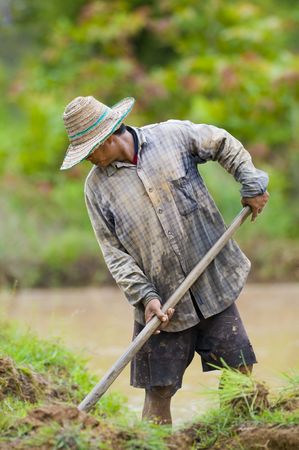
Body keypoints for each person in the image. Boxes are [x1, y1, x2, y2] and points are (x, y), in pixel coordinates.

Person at [60, 95, 269, 425]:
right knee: (157, 393)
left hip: (212, 284)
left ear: (108, 136)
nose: (87, 160)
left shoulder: (172, 136)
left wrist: (251, 181)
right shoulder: (97, 189)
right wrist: (145, 296)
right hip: (162, 304)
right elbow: (114, 254)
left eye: (89, 151)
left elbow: (222, 143)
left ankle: (242, 436)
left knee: (239, 369)